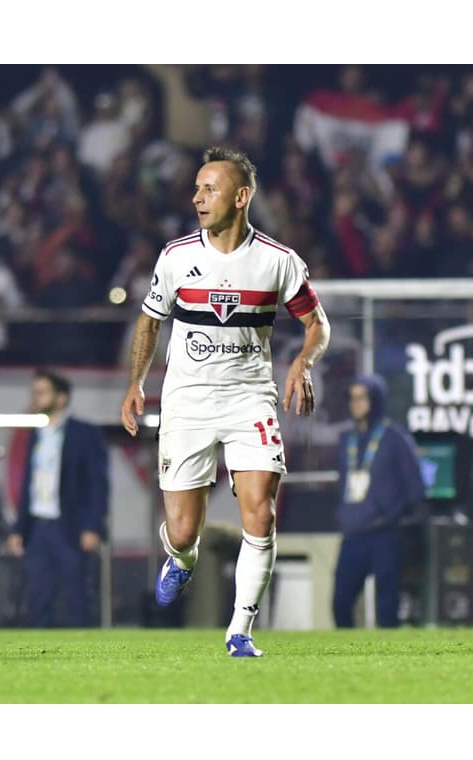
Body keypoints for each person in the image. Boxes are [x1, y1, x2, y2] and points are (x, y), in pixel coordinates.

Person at [120, 147, 331, 657]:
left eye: (209, 189)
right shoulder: (175, 257)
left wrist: (303, 360)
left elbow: (317, 324)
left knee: (260, 515)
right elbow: (150, 322)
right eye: (196, 188)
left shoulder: (277, 261)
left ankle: (240, 630)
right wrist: (135, 384)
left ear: (242, 197)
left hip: (249, 400)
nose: (197, 197)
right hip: (187, 401)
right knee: (183, 529)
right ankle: (182, 558)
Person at [8, 369, 109, 628]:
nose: (35, 398)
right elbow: (28, 484)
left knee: (77, 595)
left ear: (62, 398)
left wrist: (92, 526)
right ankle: (37, 658)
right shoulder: (34, 434)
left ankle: (86, 655)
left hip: (71, 526)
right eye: (34, 393)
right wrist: (19, 529)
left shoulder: (84, 433)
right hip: (39, 526)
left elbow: (98, 484)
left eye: (42, 392)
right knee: (38, 596)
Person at [332, 374, 425, 628]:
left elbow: (414, 485)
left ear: (376, 400)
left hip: (384, 533)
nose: (356, 404)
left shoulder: (394, 439)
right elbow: (344, 485)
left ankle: (391, 662)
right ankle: (345, 659)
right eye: (352, 398)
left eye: (362, 397)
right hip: (353, 533)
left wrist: (395, 517)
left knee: (387, 607)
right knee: (340, 603)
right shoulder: (345, 440)